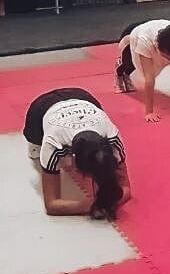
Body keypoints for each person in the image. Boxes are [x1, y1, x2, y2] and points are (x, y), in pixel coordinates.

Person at [23, 87, 130, 218]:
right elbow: (51, 205)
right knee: (35, 154)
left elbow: (126, 188)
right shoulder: (54, 143)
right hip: (41, 108)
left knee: (103, 171)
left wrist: (107, 202)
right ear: (73, 160)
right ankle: (36, 145)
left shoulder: (112, 137)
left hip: (83, 98)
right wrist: (92, 206)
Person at [116, 19, 170, 123]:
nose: (169, 59)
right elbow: (149, 78)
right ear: (157, 45)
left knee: (152, 65)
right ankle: (119, 72)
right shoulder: (144, 41)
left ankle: (126, 73)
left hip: (156, 31)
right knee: (130, 64)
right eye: (166, 56)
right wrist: (149, 112)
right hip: (132, 34)